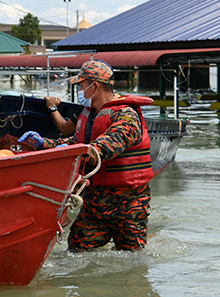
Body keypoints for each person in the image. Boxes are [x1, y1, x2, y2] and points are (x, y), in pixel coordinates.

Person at [19, 61, 154, 252]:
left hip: (128, 203)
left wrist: (64, 153)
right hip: (95, 202)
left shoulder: (126, 115)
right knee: (76, 250)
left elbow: (102, 150)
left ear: (95, 86)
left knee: (131, 258)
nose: (80, 91)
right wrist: (43, 144)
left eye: (82, 86)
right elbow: (75, 142)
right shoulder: (89, 114)